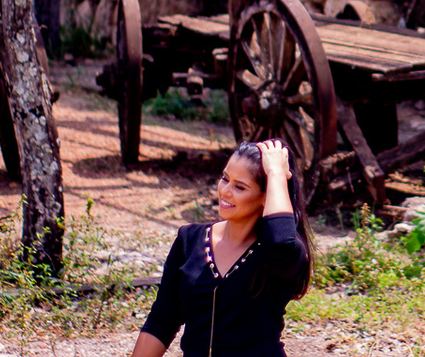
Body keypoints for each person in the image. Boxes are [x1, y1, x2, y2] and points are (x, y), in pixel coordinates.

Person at [130, 140, 312, 357]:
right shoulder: (189, 240)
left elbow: (280, 244)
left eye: (240, 187)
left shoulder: (280, 252)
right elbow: (162, 320)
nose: (225, 191)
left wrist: (276, 174)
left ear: (267, 196)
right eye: (225, 178)